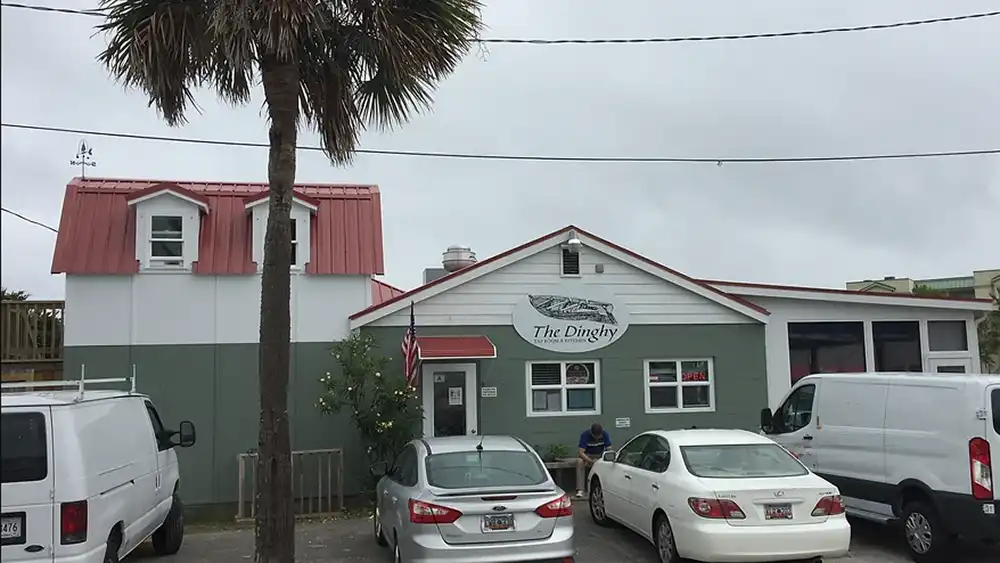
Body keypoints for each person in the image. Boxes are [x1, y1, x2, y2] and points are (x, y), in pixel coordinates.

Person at [575, 422, 611, 498]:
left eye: (599, 436)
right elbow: (581, 452)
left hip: (599, 455)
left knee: (609, 464)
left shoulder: (605, 434)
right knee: (579, 462)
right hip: (588, 455)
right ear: (591, 433)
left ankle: (605, 488)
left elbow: (609, 450)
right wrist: (590, 461)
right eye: (595, 436)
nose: (597, 438)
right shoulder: (585, 435)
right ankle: (580, 490)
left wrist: (602, 459)